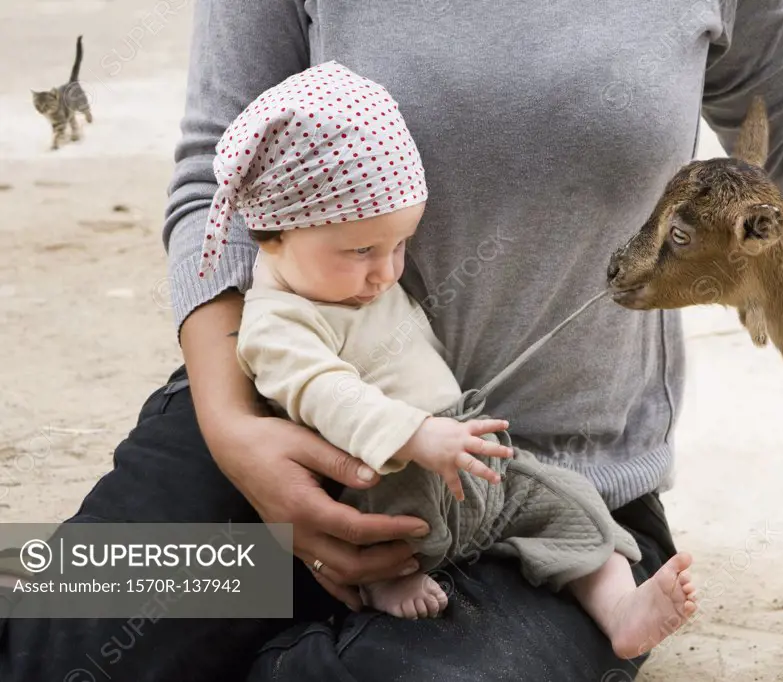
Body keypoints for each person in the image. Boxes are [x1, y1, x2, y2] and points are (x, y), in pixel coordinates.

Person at [0, 1, 783, 680]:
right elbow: (217, 175)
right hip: (265, 442)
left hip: (540, 503)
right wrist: (232, 430)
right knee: (61, 649)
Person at [215, 60, 698, 650]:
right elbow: (324, 390)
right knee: (102, 586)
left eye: (400, 247)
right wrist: (414, 435)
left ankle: (620, 606)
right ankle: (389, 578)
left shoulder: (351, 276)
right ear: (273, 234)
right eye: (362, 250)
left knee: (569, 500)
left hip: (470, 455)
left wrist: (444, 432)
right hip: (398, 474)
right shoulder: (276, 322)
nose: (387, 272)